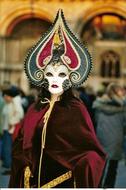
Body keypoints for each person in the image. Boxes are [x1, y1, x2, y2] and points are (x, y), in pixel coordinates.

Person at [9, 9, 106, 188]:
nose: (55, 79)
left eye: (61, 74)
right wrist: (22, 162)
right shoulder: (35, 108)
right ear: (42, 76)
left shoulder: (76, 109)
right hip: (34, 183)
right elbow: (21, 142)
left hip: (64, 183)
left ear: (70, 78)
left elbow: (93, 151)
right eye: (50, 74)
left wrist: (85, 164)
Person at [93, 83, 126, 188]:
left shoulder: (98, 104)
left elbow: (95, 121)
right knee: (112, 167)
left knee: (100, 167)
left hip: (101, 139)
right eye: (121, 91)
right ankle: (109, 186)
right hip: (116, 140)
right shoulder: (123, 107)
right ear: (116, 92)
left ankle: (98, 185)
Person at [1, 86, 24, 171]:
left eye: (6, 96)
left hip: (11, 129)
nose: (5, 98)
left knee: (9, 148)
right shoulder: (8, 104)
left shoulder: (15, 102)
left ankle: (10, 167)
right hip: (6, 129)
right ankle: (9, 166)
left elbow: (20, 114)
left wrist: (12, 122)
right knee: (7, 148)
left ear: (10, 96)